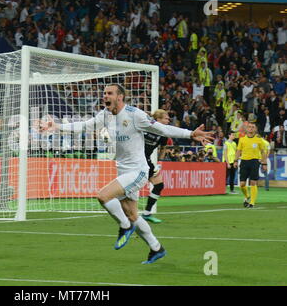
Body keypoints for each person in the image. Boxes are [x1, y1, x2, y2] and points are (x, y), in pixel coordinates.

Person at [40, 84, 213, 264]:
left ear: (120, 97)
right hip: (123, 170)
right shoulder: (105, 115)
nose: (105, 96)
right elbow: (85, 125)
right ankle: (156, 248)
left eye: (109, 93)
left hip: (138, 171)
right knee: (132, 214)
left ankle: (124, 227)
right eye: (104, 93)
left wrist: (190, 133)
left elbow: (162, 129)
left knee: (103, 196)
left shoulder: (134, 114)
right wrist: (57, 126)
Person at [142, 109, 170, 224]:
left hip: (146, 160)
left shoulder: (164, 134)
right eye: (166, 118)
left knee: (159, 185)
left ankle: (147, 213)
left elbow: (163, 148)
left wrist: (160, 163)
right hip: (136, 159)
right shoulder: (145, 127)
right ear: (158, 119)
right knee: (130, 187)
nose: (168, 120)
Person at [233, 122, 267, 208]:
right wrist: (235, 161)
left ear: (255, 129)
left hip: (254, 162)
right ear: (246, 129)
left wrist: (264, 163)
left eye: (253, 127)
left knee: (253, 182)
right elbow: (238, 151)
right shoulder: (242, 139)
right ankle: (247, 196)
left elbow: (263, 152)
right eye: (249, 127)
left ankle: (252, 202)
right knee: (242, 184)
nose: (251, 128)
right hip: (244, 162)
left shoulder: (259, 139)